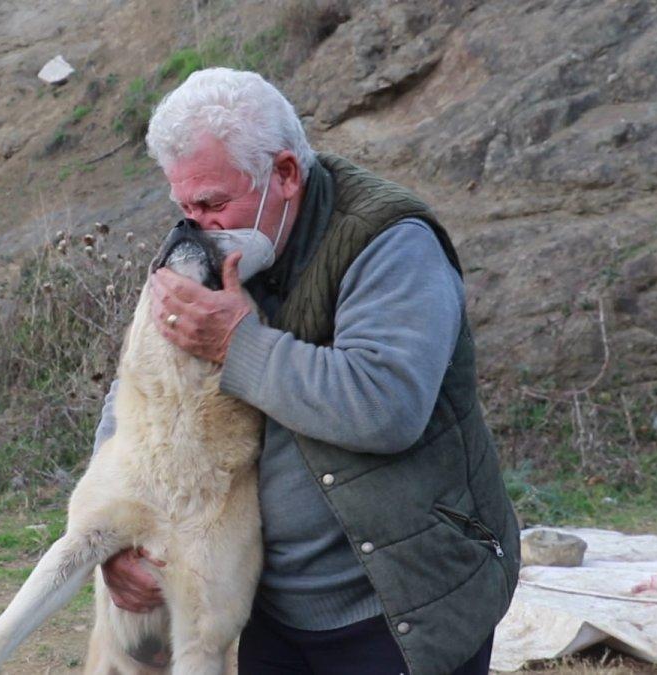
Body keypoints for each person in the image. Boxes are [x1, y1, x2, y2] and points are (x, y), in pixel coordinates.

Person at [92, 67, 520, 675]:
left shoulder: (390, 241)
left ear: (285, 175)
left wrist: (237, 344)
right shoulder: (211, 238)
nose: (198, 223)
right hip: (275, 606)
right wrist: (118, 538)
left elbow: (385, 405)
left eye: (212, 202)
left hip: (402, 602)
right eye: (184, 204)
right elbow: (136, 387)